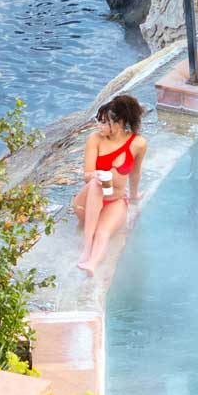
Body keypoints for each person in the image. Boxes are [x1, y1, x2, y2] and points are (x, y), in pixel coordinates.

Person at [74, 94, 147, 275]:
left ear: (119, 123)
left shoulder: (138, 144)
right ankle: (87, 244)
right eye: (99, 121)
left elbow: (135, 173)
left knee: (104, 232)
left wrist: (135, 195)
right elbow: (86, 175)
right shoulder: (95, 139)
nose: (99, 126)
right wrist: (97, 175)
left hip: (114, 200)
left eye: (104, 122)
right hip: (86, 201)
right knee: (97, 184)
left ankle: (92, 263)